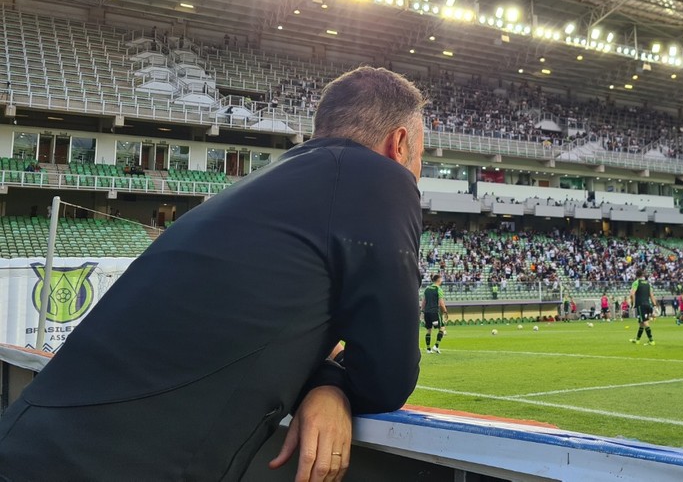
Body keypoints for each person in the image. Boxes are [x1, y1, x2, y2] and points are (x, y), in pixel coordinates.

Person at [0, 66, 427, 481]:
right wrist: (333, 382)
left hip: (28, 437)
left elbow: (254, 326)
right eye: (422, 159)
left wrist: (321, 380)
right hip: (124, 464)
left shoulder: (256, 186)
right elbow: (387, 377)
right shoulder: (380, 178)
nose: (418, 173)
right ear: (400, 143)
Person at [422, 274, 449, 354]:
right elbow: (441, 303)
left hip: (427, 312)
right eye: (441, 279)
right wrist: (445, 311)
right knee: (442, 328)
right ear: (438, 280)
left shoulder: (426, 289)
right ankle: (436, 346)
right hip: (434, 312)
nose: (442, 280)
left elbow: (423, 302)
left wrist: (422, 311)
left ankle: (428, 349)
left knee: (428, 330)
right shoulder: (438, 289)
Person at [629, 270, 657, 345]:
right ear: (643, 275)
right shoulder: (648, 283)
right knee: (641, 323)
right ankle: (637, 339)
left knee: (645, 322)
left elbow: (632, 294)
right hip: (647, 304)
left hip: (640, 305)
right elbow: (652, 295)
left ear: (636, 275)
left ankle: (651, 340)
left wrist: (633, 304)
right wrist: (654, 305)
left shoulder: (636, 282)